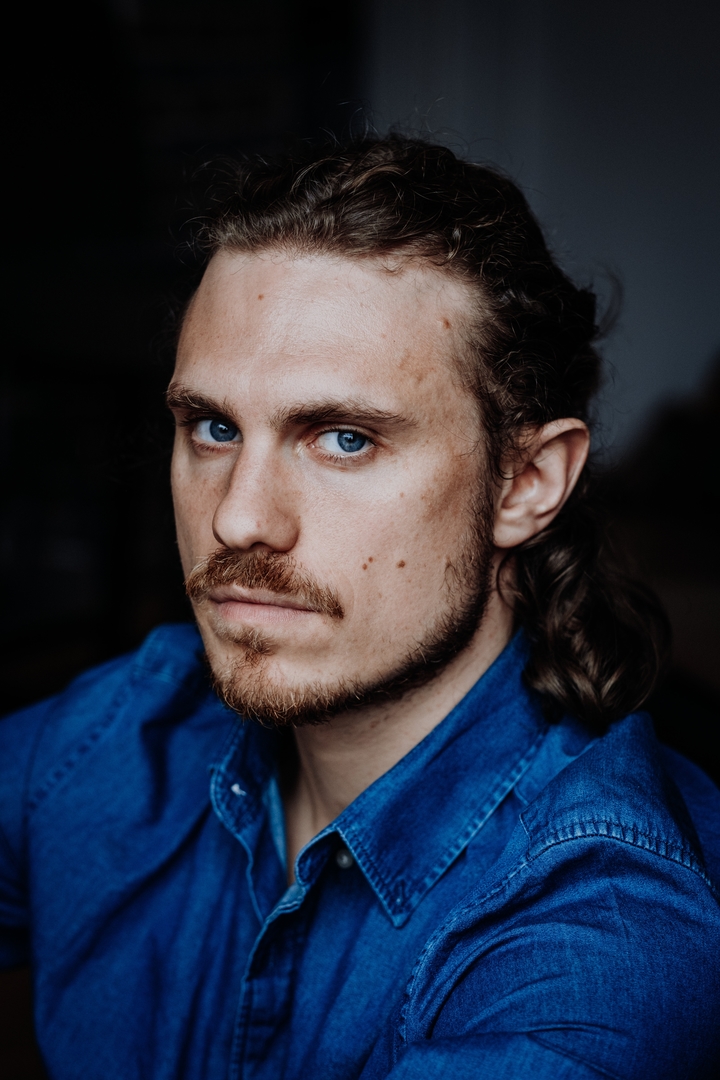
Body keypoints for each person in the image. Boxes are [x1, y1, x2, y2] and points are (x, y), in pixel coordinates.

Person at [1, 136, 719, 1080]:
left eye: (343, 438)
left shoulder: (604, 943)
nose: (238, 518)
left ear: (527, 483)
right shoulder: (125, 727)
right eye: (214, 427)